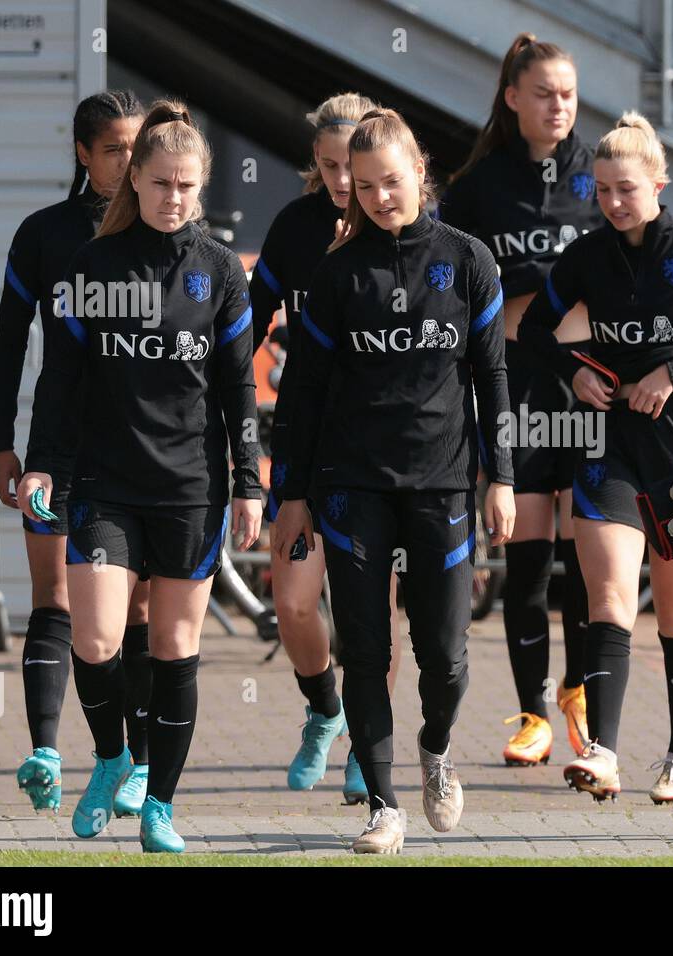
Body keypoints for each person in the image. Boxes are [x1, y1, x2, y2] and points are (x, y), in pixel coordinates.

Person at [18, 100, 262, 853]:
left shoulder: (221, 272)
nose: (174, 198)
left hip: (190, 487)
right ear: (135, 181)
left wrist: (249, 480)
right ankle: (113, 757)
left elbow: (238, 388)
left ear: (202, 186)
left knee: (173, 647)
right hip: (104, 482)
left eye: (188, 186)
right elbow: (60, 381)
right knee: (94, 638)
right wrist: (41, 467)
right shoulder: (91, 265)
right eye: (160, 183)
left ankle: (158, 804)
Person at [271, 108, 515, 855]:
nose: (378, 196)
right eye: (364, 186)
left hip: (442, 485)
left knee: (444, 656)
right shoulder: (336, 275)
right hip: (352, 484)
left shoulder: (469, 260)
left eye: (392, 181)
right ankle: (382, 805)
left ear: (421, 173)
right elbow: (302, 394)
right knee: (366, 651)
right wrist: (292, 496)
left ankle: (435, 749)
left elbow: (492, 376)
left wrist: (500, 478)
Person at [518, 112, 673, 803]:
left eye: (627, 189)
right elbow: (531, 330)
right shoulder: (586, 257)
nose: (614, 202)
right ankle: (604, 753)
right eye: (603, 189)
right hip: (607, 448)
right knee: (608, 600)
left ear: (659, 185)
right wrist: (572, 370)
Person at [0, 90, 156, 816]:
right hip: (57, 449)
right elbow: (7, 344)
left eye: (135, 146)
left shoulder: (168, 229)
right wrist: (3, 444)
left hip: (144, 451)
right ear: (84, 154)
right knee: (54, 597)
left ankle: (138, 764)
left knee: (137, 613)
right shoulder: (45, 235)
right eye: (113, 148)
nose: (126, 160)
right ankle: (46, 753)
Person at [439, 33, 602, 766]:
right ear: (512, 98)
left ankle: (579, 692)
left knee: (590, 551)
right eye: (544, 92)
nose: (559, 105)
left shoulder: (599, 170)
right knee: (528, 554)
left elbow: (630, 259)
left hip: (592, 384)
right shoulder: (479, 186)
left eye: (568, 93)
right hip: (515, 384)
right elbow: (460, 282)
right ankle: (532, 712)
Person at [249, 92, 406, 804]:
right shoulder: (294, 229)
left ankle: (365, 747)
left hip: (385, 451)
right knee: (293, 603)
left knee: (376, 615)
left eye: (356, 165)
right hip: (307, 443)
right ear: (315, 163)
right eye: (332, 165)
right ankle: (324, 709)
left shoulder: (404, 229)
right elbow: (247, 323)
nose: (346, 181)